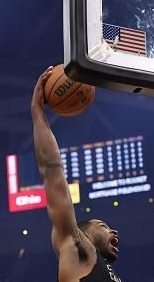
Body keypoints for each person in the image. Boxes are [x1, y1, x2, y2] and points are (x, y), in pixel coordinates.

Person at [31, 66, 125, 282]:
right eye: (103, 226)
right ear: (86, 235)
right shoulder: (77, 247)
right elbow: (52, 169)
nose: (115, 232)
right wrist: (37, 112)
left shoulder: (107, 271)